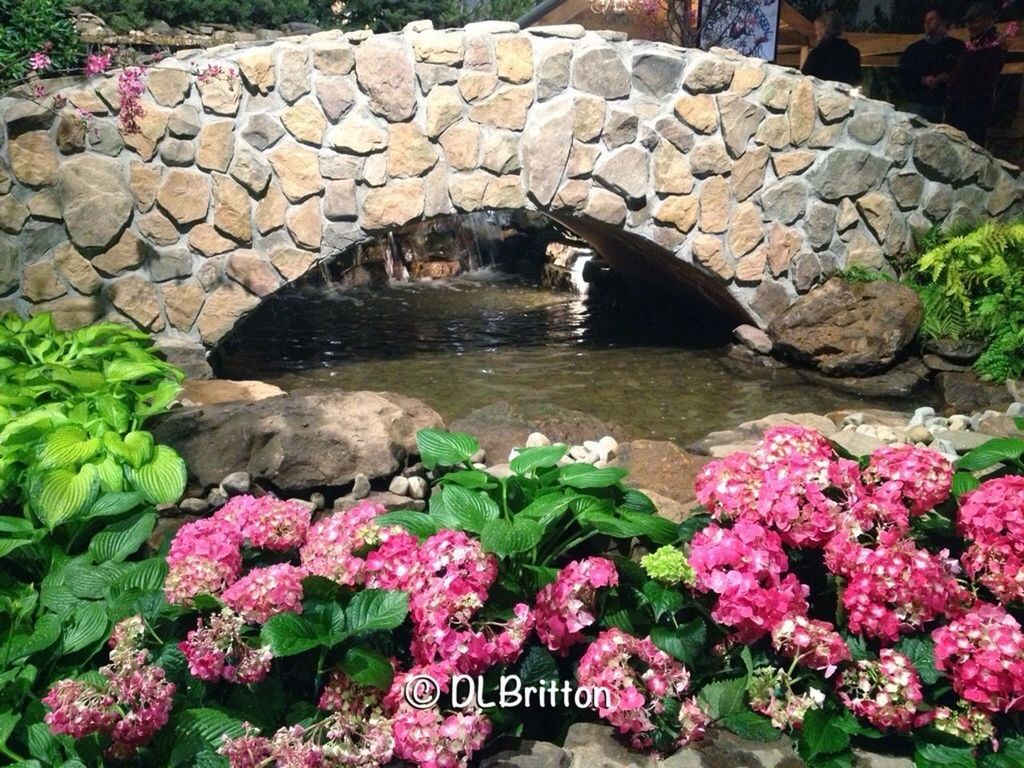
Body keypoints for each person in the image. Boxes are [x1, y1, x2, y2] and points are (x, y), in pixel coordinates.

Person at [946, 2, 1007, 146]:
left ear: (989, 20)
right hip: (957, 105)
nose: (970, 26)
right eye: (969, 21)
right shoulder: (971, 45)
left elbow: (983, 77)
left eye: (976, 21)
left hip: (975, 107)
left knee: (972, 145)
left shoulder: (993, 47)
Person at [898, 8, 965, 123]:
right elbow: (904, 74)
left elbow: (966, 73)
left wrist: (949, 77)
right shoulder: (914, 50)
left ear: (943, 22)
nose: (927, 23)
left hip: (947, 104)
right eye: (925, 20)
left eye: (932, 19)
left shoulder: (957, 47)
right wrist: (923, 80)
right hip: (919, 104)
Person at [801, 11, 862, 86]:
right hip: (844, 96)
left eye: (817, 29)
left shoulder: (817, 53)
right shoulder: (853, 53)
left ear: (823, 30)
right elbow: (857, 80)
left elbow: (805, 78)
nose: (816, 33)